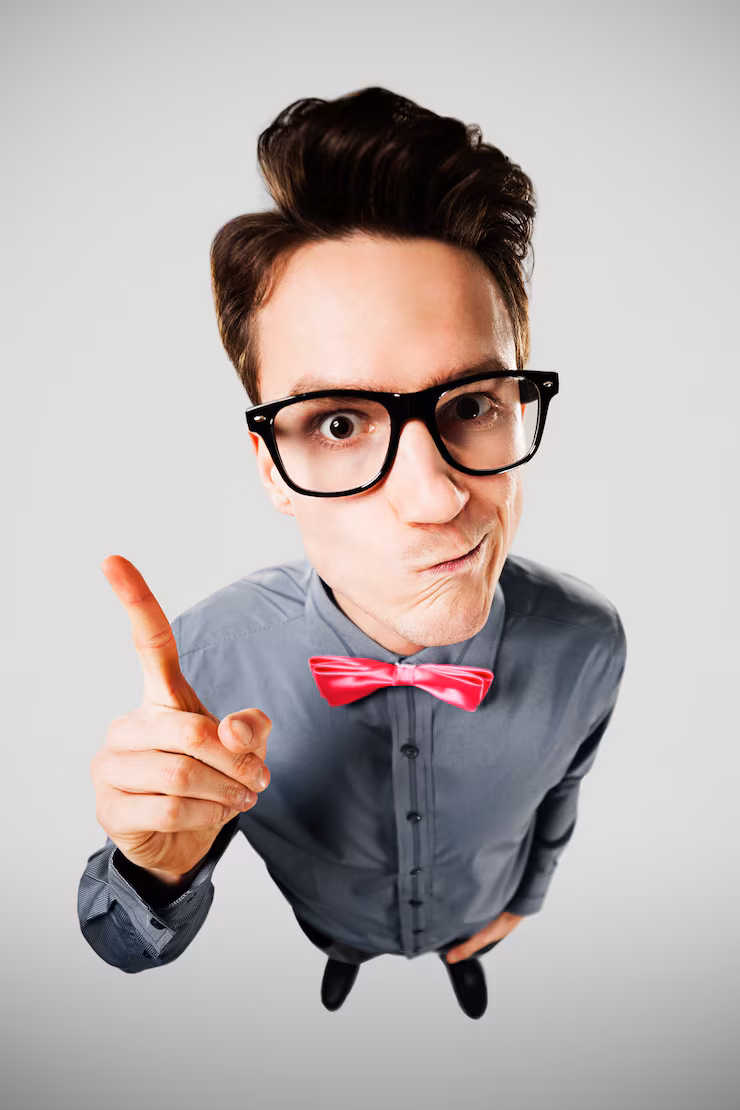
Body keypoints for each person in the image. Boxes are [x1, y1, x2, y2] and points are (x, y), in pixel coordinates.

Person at [78, 86, 627, 1020]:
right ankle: (346, 957)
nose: (439, 497)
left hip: (478, 913)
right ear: (271, 466)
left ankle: (466, 959)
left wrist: (523, 903)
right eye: (339, 422)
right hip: (331, 919)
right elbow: (120, 944)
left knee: (474, 944)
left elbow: (561, 794)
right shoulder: (208, 659)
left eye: (472, 404)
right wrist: (154, 873)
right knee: (341, 944)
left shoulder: (591, 640)